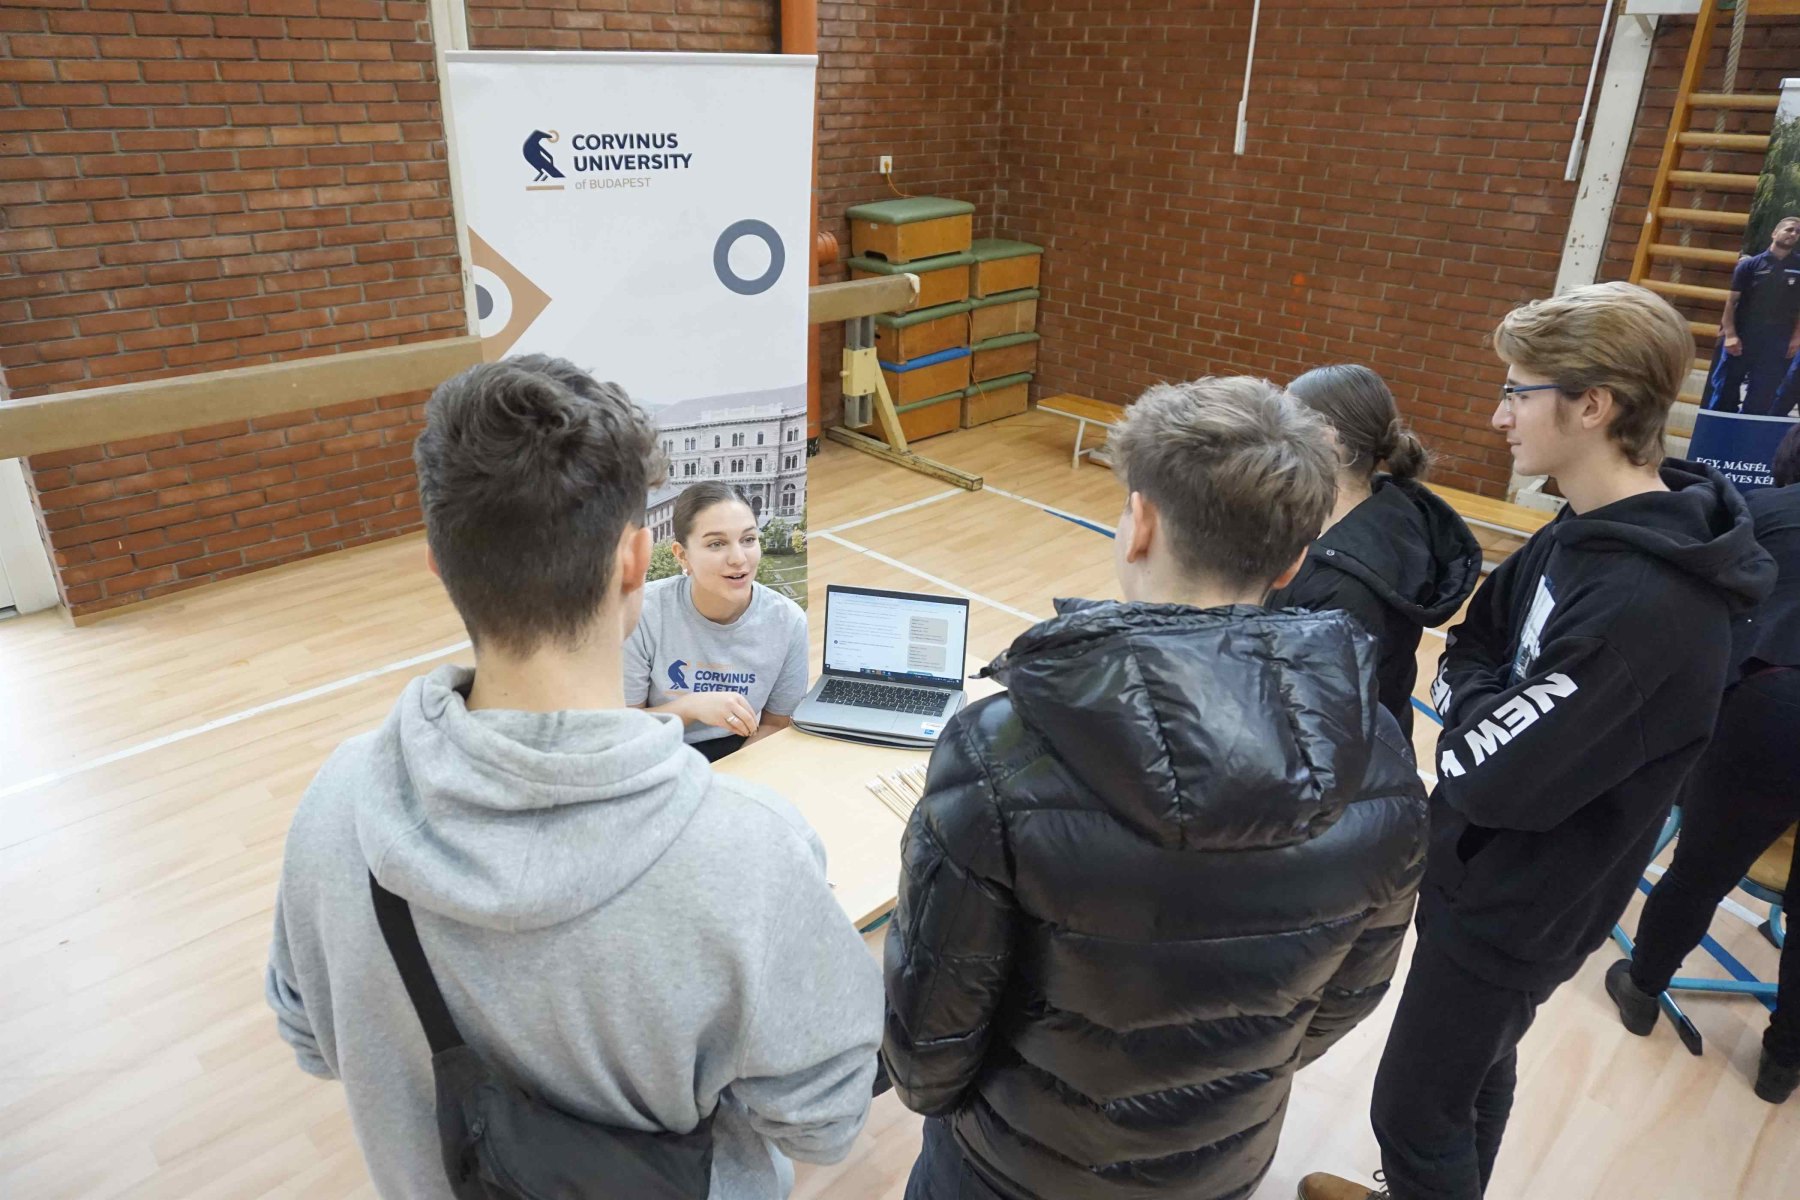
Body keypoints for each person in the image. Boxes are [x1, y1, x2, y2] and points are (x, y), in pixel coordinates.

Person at [265, 356, 883, 1199]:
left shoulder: (335, 802)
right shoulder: (753, 849)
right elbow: (826, 1122)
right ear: (638, 561)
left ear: (440, 564)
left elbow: (311, 1038)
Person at [882, 376, 1429, 1200]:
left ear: (1139, 523)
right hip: (1220, 1166)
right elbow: (1344, 998)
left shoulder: (999, 747)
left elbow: (930, 1042)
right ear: (1295, 560)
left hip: (1012, 1171)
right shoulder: (1383, 755)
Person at [1300, 282, 1777, 1200]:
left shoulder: (1646, 606)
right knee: (1475, 1073)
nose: (1499, 415)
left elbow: (1484, 772)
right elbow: (1473, 641)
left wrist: (1472, 708)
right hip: (1492, 871)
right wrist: (1481, 702)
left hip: (1521, 900)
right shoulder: (1587, 526)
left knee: (1414, 1111)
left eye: (1518, 392)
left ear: (1592, 405)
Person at [1606, 421, 1800, 1105]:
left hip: (1772, 704)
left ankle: (1643, 987)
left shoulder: (1764, 511)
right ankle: (1782, 1066)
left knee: (1703, 868)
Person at [1268, 364, 1481, 739]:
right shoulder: (1383, 518)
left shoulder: (1344, 585)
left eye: (1285, 420)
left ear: (1327, 438)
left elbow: (1314, 718)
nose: (1272, 435)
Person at [625, 481, 810, 762]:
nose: (738, 559)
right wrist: (690, 708)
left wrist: (727, 776)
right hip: (656, 752)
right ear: (682, 555)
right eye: (716, 544)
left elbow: (775, 725)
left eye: (748, 539)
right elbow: (625, 727)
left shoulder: (789, 622)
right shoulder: (643, 612)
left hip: (743, 753)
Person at [1705, 215, 1800, 417]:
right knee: (1725, 391)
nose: (1793, 234)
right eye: (1789, 229)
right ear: (1774, 233)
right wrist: (1730, 334)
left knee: (1762, 396)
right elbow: (1730, 301)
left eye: (1797, 232)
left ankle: (1746, 433)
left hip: (1777, 339)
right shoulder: (1750, 265)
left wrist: (1796, 337)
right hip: (1743, 335)